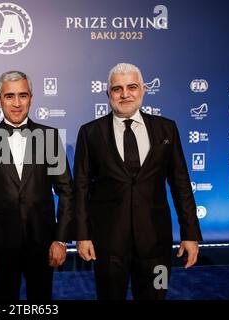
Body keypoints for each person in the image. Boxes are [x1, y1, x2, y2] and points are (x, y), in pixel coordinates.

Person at [74, 63, 202, 300]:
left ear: (143, 90)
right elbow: (81, 188)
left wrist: (190, 234)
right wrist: (82, 235)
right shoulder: (90, 132)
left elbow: (181, 184)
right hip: (108, 244)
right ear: (108, 94)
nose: (125, 94)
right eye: (117, 89)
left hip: (157, 244)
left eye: (132, 87)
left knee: (157, 295)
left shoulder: (167, 129)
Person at [0, 71, 74, 300]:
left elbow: (66, 191)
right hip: (0, 244)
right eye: (9, 96)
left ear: (31, 98)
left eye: (23, 95)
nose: (16, 103)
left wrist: (61, 239)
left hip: (43, 242)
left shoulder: (50, 137)